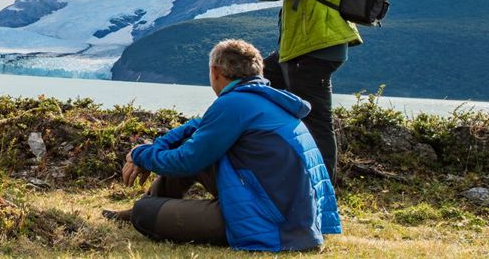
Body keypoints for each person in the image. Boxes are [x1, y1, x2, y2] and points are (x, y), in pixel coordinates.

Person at [105, 39, 340, 251]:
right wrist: (155, 147)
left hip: (271, 223)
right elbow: (198, 127)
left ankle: (144, 208)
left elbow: (186, 161)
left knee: (144, 214)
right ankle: (150, 204)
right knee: (195, 147)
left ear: (215, 71)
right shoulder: (262, 99)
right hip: (292, 215)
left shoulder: (234, 103)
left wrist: (140, 154)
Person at [246, 0, 361, 182]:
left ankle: (323, 187)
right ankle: (270, 167)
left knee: (316, 121)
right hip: (306, 48)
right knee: (256, 85)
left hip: (311, 50)